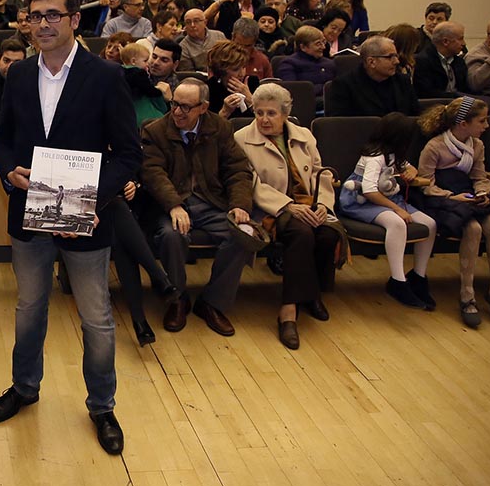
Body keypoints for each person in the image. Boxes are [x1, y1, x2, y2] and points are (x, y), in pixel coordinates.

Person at [0, 0, 141, 456]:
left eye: (53, 15)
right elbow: (6, 137)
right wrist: (10, 170)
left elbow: (129, 155)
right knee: (30, 308)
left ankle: (101, 405)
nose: (43, 24)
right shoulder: (18, 74)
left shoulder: (107, 76)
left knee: (96, 320)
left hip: (87, 218)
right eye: (35, 16)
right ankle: (24, 387)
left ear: (76, 19)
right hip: (30, 216)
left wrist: (91, 200)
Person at [140, 79, 255, 336]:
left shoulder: (220, 127)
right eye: (174, 105)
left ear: (203, 107)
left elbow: (237, 170)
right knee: (172, 236)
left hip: (210, 201)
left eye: (185, 107)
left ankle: (212, 302)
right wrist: (174, 205)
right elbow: (153, 174)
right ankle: (177, 299)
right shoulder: (155, 130)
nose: (177, 112)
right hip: (169, 204)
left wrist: (239, 205)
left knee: (242, 236)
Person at [234, 84, 343, 349]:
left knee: (329, 233)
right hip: (271, 209)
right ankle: (288, 310)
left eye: (271, 113)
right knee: (301, 233)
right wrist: (286, 206)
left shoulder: (304, 135)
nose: (264, 119)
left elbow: (321, 172)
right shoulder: (241, 138)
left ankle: (312, 293)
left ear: (285, 114)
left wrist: (322, 205)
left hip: (309, 201)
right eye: (259, 112)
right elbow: (250, 183)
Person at [416, 97, 490, 328]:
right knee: (473, 229)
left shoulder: (477, 145)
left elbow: (480, 176)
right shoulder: (435, 147)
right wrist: (451, 197)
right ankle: (467, 296)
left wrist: (482, 192)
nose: (487, 126)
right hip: (444, 200)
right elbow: (425, 184)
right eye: (482, 121)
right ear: (463, 124)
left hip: (469, 196)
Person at [337, 112, 438, 309]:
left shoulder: (393, 153)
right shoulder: (374, 157)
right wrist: (397, 210)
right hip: (361, 201)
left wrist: (412, 171)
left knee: (430, 224)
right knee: (396, 223)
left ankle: (418, 276)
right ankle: (398, 281)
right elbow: (369, 191)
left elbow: (409, 167)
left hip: (387, 198)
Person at [324, 35, 420, 117]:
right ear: (371, 62)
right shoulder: (344, 85)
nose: (396, 61)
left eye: (396, 56)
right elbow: (341, 125)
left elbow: (415, 116)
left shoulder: (403, 81)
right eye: (390, 57)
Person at [274, 25, 337, 98]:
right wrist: (324, 88)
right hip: (305, 105)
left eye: (323, 42)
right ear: (303, 47)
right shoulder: (289, 64)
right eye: (318, 44)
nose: (323, 47)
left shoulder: (329, 63)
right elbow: (294, 91)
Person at [414, 21, 471, 99]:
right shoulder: (423, 61)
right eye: (460, 39)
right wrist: (456, 96)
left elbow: (466, 89)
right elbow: (426, 93)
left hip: (459, 103)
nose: (464, 43)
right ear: (445, 42)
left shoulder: (459, 62)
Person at [206, 40, 256, 119]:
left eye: (243, 67)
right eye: (235, 69)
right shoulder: (210, 88)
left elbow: (264, 119)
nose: (241, 74)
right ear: (221, 70)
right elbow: (210, 128)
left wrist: (250, 99)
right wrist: (225, 111)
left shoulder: (253, 82)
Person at [177, 8, 226, 73]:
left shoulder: (219, 36)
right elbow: (188, 73)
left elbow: (229, 58)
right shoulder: (183, 47)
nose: (192, 25)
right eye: (188, 22)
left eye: (196, 21)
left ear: (205, 22)